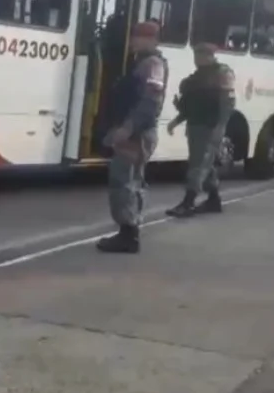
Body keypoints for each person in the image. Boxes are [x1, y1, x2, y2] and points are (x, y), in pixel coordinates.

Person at [96, 21, 169, 254]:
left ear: (152, 40)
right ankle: (128, 232)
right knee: (128, 180)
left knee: (125, 181)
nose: (134, 41)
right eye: (134, 36)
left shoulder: (153, 65)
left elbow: (149, 103)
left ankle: (128, 235)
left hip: (137, 133)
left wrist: (126, 128)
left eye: (139, 37)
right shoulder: (141, 63)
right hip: (135, 131)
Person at [166, 42, 236, 218]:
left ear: (211, 56)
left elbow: (226, 103)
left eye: (202, 55)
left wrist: (219, 127)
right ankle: (214, 200)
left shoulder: (221, 73)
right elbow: (192, 105)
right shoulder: (197, 77)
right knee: (207, 164)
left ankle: (188, 202)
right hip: (196, 125)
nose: (198, 59)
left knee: (198, 165)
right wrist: (176, 120)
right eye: (196, 55)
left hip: (210, 126)